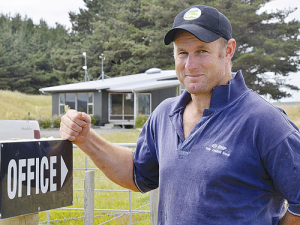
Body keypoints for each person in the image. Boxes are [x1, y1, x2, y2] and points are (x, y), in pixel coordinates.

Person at [60, 5, 300, 225]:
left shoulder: (264, 121)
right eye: (182, 52)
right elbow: (137, 174)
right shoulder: (165, 113)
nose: (190, 64)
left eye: (202, 51)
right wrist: (86, 139)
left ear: (228, 50)